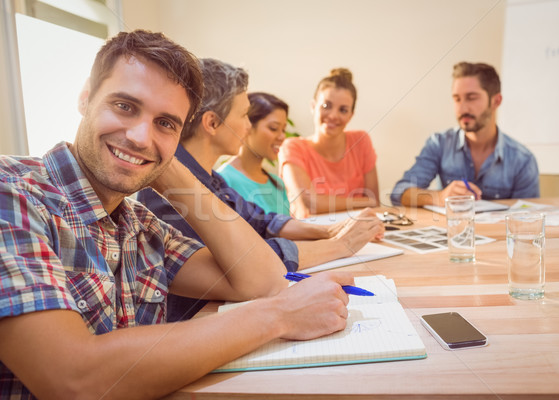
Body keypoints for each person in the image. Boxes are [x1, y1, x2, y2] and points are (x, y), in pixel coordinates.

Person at [0, 31, 355, 399]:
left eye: (166, 123)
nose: (140, 136)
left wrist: (164, 166)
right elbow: (73, 379)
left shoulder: (139, 224)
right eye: (125, 106)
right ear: (86, 98)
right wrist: (279, 315)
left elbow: (261, 280)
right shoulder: (12, 195)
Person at [137, 59, 384, 322]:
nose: (248, 126)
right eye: (244, 116)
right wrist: (338, 246)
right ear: (212, 123)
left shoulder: (213, 179)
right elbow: (244, 265)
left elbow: (261, 221)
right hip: (200, 322)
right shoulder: (170, 190)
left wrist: (329, 230)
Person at [390, 62, 540, 207]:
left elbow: (528, 217)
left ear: (496, 101)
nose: (462, 108)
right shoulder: (439, 143)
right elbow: (399, 193)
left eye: (471, 98)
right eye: (457, 99)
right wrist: (439, 197)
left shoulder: (522, 160)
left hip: (497, 233)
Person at [279, 68, 380, 218]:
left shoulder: (360, 141)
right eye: (326, 106)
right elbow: (310, 204)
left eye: (343, 110)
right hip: (311, 236)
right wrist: (363, 202)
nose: (333, 115)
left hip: (356, 231)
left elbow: (374, 201)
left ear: (351, 115)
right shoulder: (292, 147)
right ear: (313, 107)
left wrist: (324, 202)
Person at [217, 92, 291, 215]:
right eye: (273, 128)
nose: (282, 136)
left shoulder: (278, 183)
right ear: (248, 126)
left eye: (283, 130)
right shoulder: (224, 181)